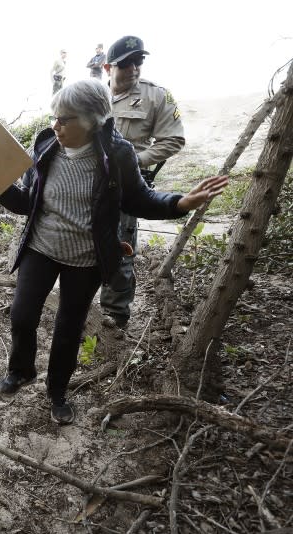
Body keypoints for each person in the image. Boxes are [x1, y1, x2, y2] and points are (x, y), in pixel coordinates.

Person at [0, 79, 226, 424]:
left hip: (86, 258)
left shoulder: (116, 154)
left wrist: (179, 202)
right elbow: (26, 204)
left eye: (65, 119)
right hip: (42, 247)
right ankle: (21, 370)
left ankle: (57, 392)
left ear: (92, 120)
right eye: (54, 117)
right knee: (21, 316)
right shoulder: (46, 145)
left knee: (68, 329)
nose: (55, 125)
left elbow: (139, 199)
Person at [98, 35, 186, 328]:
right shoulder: (93, 93)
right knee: (84, 242)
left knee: (119, 246)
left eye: (138, 62)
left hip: (125, 184)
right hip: (88, 182)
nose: (134, 68)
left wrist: (135, 160)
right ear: (109, 67)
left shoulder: (155, 96)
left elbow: (173, 138)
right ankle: (82, 303)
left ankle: (115, 313)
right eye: (126, 64)